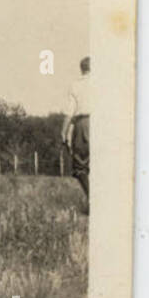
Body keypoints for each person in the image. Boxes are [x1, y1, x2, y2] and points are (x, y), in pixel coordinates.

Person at [62, 56, 91, 211]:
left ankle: (92, 197)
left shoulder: (76, 85)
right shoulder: (104, 83)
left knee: (80, 166)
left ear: (81, 69)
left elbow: (69, 111)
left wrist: (63, 131)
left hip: (84, 123)